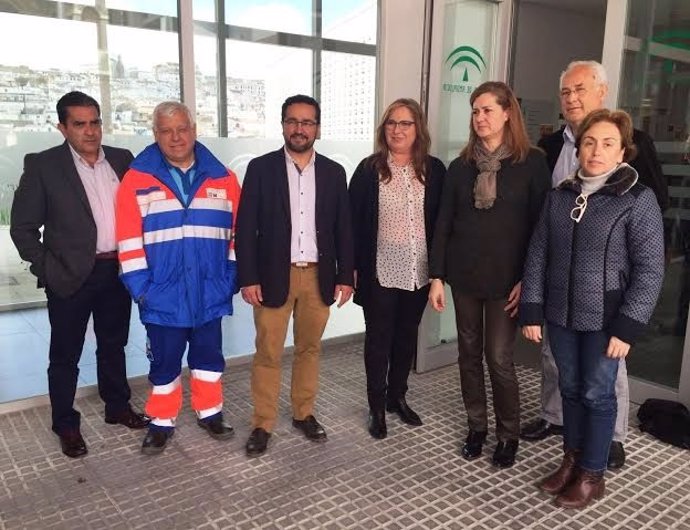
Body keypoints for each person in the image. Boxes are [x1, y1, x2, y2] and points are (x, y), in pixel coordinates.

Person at [521, 60, 669, 470]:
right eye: (566, 91)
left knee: (602, 384)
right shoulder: (552, 149)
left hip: (606, 304)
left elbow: (649, 255)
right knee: (564, 374)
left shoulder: (636, 176)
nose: (571, 98)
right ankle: (563, 433)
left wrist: (629, 320)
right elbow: (541, 240)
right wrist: (533, 298)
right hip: (561, 297)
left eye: (580, 89)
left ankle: (607, 446)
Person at [10, 91, 149, 458]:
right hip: (70, 275)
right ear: (62, 127)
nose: (90, 131)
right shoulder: (44, 166)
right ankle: (65, 423)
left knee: (114, 343)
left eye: (95, 122)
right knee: (66, 354)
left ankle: (117, 407)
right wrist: (49, 268)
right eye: (80, 124)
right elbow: (22, 228)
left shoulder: (122, 160)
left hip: (116, 270)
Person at [428, 81, 551, 468]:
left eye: (487, 110)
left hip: (507, 282)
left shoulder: (531, 162)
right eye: (475, 111)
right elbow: (444, 223)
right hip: (465, 277)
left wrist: (529, 281)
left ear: (507, 113)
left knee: (498, 357)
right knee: (468, 353)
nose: (480, 118)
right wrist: (436, 276)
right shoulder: (460, 167)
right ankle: (476, 426)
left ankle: (507, 434)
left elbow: (542, 229)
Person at [116, 101, 241, 455]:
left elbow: (239, 236)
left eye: (182, 129)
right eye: (166, 131)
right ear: (155, 134)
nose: (176, 137)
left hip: (210, 290)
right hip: (162, 294)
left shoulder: (224, 178)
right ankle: (161, 420)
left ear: (194, 130)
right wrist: (143, 290)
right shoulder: (136, 180)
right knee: (165, 361)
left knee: (208, 357)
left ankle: (210, 411)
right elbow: (127, 241)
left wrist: (228, 279)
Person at [235, 94, 354, 457]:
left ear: (317, 127)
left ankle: (304, 413)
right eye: (293, 121)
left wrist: (345, 275)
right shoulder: (261, 168)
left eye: (307, 122)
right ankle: (262, 422)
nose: (299, 128)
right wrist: (248, 277)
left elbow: (343, 228)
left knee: (309, 349)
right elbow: (246, 228)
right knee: (268, 351)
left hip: (318, 277)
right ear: (283, 124)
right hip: (274, 275)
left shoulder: (334, 172)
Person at [348, 99, 445, 439]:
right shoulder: (368, 169)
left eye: (405, 123)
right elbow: (352, 224)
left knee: (406, 339)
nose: (397, 130)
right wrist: (351, 269)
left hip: (419, 272)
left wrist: (439, 273)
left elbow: (442, 224)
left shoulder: (434, 170)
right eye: (391, 123)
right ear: (383, 128)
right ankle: (376, 407)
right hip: (380, 272)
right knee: (378, 340)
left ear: (418, 129)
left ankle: (397, 397)